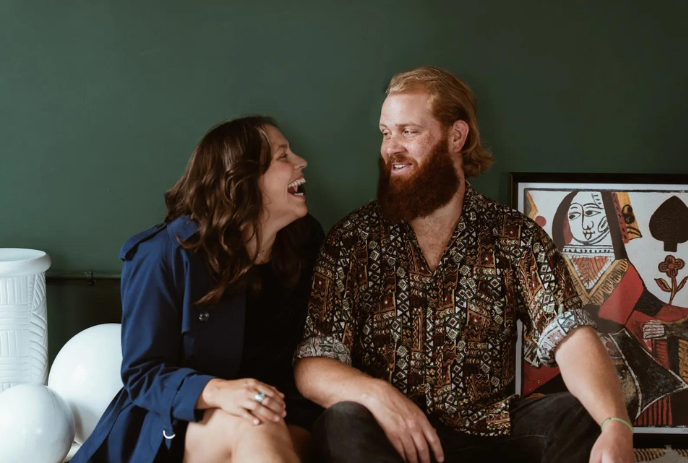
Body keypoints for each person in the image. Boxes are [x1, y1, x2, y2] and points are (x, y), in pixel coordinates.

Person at [293, 67, 635, 463]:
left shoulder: (515, 237)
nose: (391, 148)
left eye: (409, 131)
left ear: (457, 136)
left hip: (488, 437)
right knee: (341, 421)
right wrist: (377, 395)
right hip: (390, 440)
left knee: (578, 417)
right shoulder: (353, 239)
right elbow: (312, 365)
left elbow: (571, 338)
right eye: (386, 132)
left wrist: (616, 425)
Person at [72, 116, 324, 463]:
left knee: (288, 433)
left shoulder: (303, 242)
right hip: (176, 421)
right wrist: (220, 392)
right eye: (283, 156)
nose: (301, 162)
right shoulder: (163, 255)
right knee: (255, 425)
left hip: (278, 410)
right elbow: (143, 375)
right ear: (242, 180)